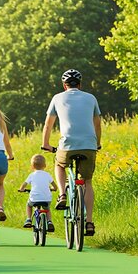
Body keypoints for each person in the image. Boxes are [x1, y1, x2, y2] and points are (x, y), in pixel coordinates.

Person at [41, 69, 101, 236]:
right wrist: (98, 144)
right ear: (80, 84)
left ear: (64, 85)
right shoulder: (91, 98)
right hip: (89, 145)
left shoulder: (57, 98)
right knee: (87, 181)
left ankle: (61, 195)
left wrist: (46, 144)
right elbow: (98, 125)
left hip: (67, 146)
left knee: (59, 165)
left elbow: (48, 125)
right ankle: (89, 222)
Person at [18, 154, 58, 232]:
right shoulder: (48, 175)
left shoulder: (31, 175)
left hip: (34, 198)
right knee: (47, 209)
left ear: (32, 166)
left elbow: (24, 184)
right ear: (45, 165)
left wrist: (21, 189)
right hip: (46, 199)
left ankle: (29, 219)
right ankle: (49, 221)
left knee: (29, 205)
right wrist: (52, 189)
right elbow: (55, 187)